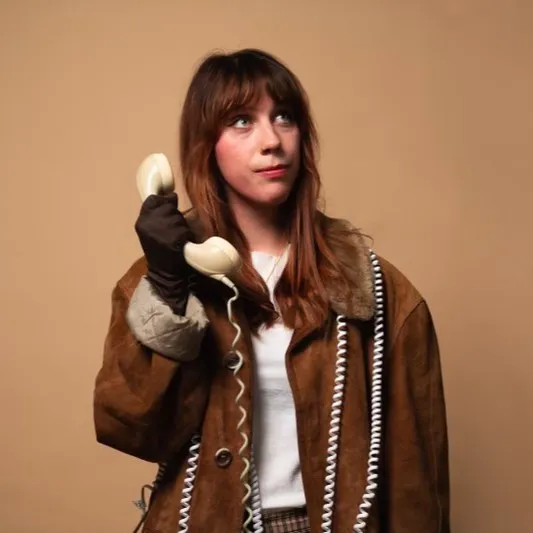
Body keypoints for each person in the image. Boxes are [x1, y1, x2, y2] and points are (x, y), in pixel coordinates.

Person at [93, 49, 450, 533]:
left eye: (284, 117)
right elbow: (129, 429)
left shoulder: (377, 291)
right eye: (241, 121)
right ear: (206, 145)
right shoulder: (157, 281)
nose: (271, 141)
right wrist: (169, 289)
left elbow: (417, 478)